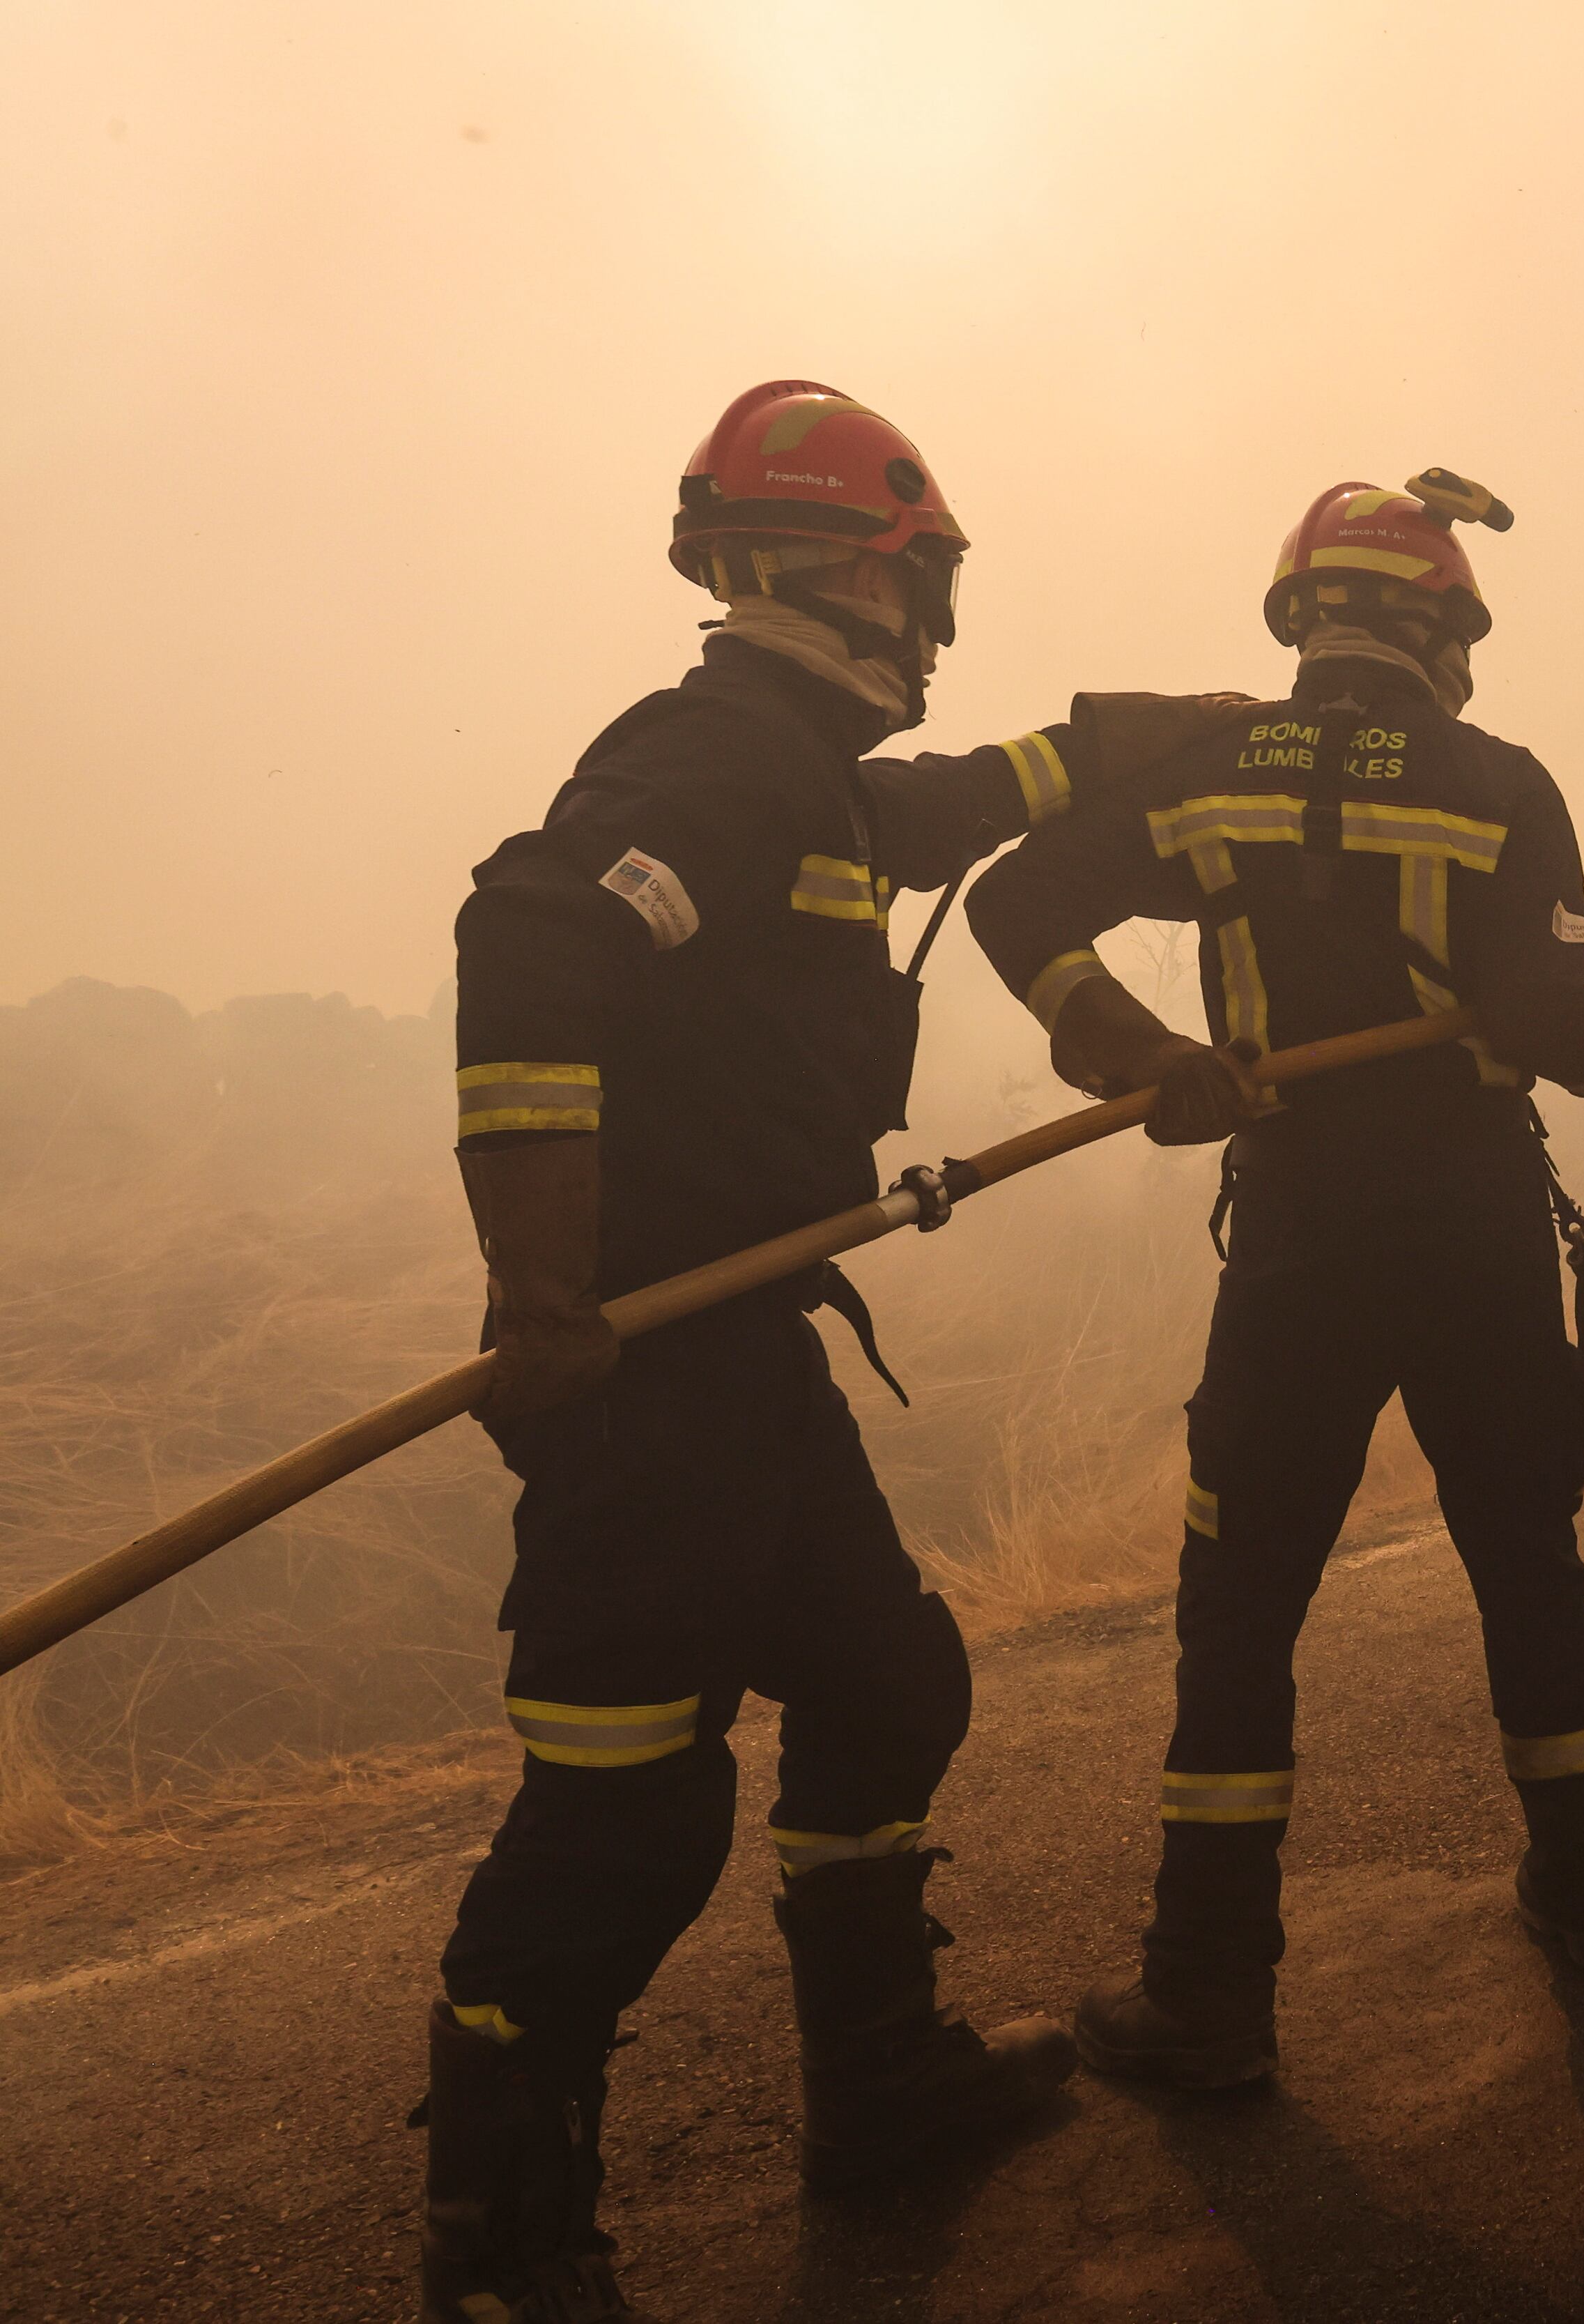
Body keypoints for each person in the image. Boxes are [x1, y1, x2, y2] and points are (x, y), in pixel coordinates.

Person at [426, 381, 1110, 2321]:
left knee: (886, 1678)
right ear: (845, 575)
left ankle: (880, 2087)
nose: (936, 626)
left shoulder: (803, 770)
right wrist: (547, 1286)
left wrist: (1151, 747)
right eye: (927, 582)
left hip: (745, 1354)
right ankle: (501, 2250)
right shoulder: (721, 751)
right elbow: (533, 936)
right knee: (626, 1814)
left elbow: (942, 808)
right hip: (648, 1383)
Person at [959, 473, 1584, 2090]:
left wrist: (1128, 1047)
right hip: (1475, 1232)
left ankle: (1209, 1994)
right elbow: (1537, 1019)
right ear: (1445, 627)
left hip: (1301, 1241)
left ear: (1301, 620)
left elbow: (1016, 893)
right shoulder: (1500, 781)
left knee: (1242, 1611)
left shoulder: (1216, 770)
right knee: (1528, 1565)